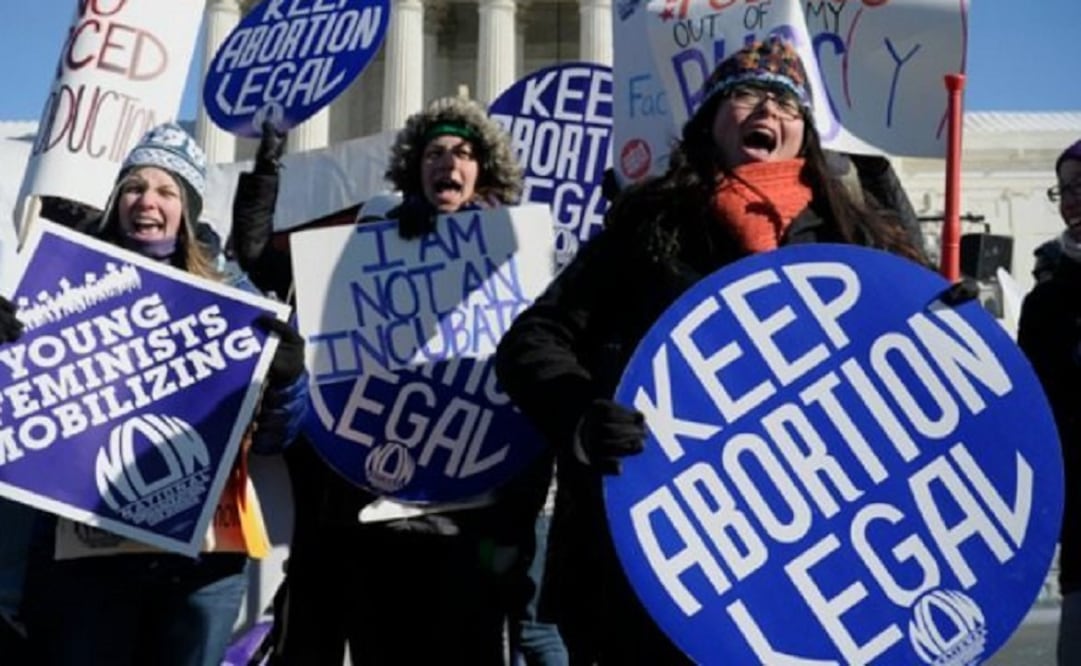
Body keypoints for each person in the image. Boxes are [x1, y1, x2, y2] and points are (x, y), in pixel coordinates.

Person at [495, 36, 925, 665]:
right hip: (654, 565)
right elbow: (534, 340)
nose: (767, 113)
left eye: (786, 104)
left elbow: (914, 349)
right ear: (710, 120)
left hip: (806, 567)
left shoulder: (852, 236)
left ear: (805, 132)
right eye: (747, 95)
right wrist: (582, 417)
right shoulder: (650, 223)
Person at [233, 98, 566, 664]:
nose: (448, 163)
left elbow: (538, 377)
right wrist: (265, 172)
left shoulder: (518, 252)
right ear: (416, 167)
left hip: (472, 521)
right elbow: (260, 257)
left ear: (483, 169)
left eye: (463, 152)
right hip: (376, 519)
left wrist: (515, 525)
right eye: (435, 152)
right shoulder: (372, 236)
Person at [22, 123, 309, 666]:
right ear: (116, 201)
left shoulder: (232, 294)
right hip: (90, 557)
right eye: (134, 187)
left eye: (166, 191)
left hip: (199, 563)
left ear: (188, 210)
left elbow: (277, 437)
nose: (146, 202)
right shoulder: (62, 288)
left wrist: (289, 379)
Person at [1017, 137, 1081, 666]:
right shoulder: (1047, 303)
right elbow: (1028, 406)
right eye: (1064, 190)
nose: (1074, 199)